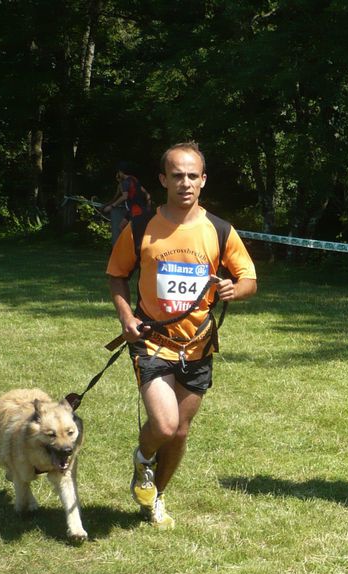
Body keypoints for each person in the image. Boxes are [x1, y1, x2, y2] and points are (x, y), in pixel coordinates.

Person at [105, 142, 257, 528]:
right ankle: (142, 463)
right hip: (152, 342)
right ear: (163, 179)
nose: (185, 183)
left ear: (203, 181)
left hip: (198, 345)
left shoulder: (219, 230)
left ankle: (157, 497)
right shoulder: (141, 227)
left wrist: (233, 290)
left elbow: (249, 279)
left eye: (192, 175)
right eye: (177, 175)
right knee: (165, 424)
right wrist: (126, 317)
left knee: (180, 433)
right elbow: (116, 275)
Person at [103, 162, 153, 244]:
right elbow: (147, 195)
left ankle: (132, 247)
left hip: (135, 210)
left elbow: (124, 196)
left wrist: (111, 206)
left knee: (124, 228)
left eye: (119, 172)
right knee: (122, 227)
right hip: (137, 209)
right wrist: (148, 207)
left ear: (121, 172)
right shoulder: (135, 179)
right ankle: (131, 246)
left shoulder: (125, 183)